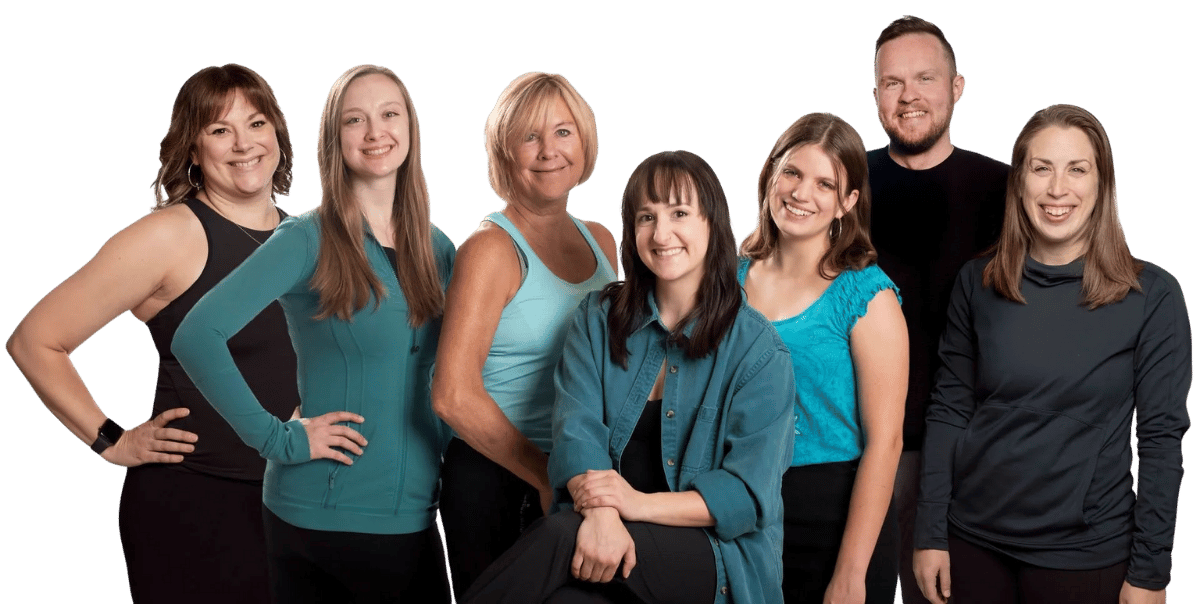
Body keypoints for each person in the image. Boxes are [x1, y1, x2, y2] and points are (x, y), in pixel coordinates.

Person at [7, 64, 297, 603]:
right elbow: (35, 340)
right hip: (198, 509)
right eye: (220, 130)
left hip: (294, 507)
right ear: (194, 149)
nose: (244, 145)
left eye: (257, 124)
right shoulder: (171, 235)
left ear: (277, 135)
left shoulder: (303, 238)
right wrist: (111, 440)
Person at [172, 64, 455, 603]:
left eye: (389, 114)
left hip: (415, 514)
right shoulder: (306, 238)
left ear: (411, 128)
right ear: (334, 138)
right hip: (323, 514)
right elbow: (197, 334)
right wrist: (276, 438)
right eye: (355, 119)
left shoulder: (439, 248)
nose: (375, 132)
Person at [462, 149, 795, 604]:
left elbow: (745, 495)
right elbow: (576, 432)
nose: (661, 233)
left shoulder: (758, 350)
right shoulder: (597, 319)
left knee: (560, 534)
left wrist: (632, 503)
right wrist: (604, 516)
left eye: (679, 213)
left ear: (712, 224)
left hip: (715, 556)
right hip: (608, 535)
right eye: (646, 217)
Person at [914, 104, 1190, 604]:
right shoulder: (977, 283)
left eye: (1077, 169)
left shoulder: (1153, 296)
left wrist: (1151, 572)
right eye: (1042, 168)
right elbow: (950, 411)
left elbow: (1160, 441)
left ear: (1102, 184)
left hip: (1086, 556)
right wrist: (930, 531)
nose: (1057, 189)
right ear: (1019, 182)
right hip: (971, 542)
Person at [432, 71, 619, 596]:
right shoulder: (490, 250)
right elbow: (451, 395)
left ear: (584, 141)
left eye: (563, 132)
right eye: (529, 137)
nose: (549, 150)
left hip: (578, 471)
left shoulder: (602, 239)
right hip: (500, 478)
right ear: (504, 152)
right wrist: (543, 474)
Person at [867, 15, 1010, 603]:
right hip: (865, 448)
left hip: (977, 454)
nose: (909, 95)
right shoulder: (843, 187)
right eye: (892, 82)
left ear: (956, 87)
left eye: (924, 78)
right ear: (877, 94)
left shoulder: (1006, 190)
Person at [739, 113, 908, 603]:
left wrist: (851, 573)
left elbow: (886, 443)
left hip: (834, 517)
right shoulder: (726, 280)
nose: (801, 193)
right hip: (741, 507)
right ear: (770, 175)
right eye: (792, 173)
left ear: (847, 201)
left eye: (824, 184)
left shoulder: (866, 296)